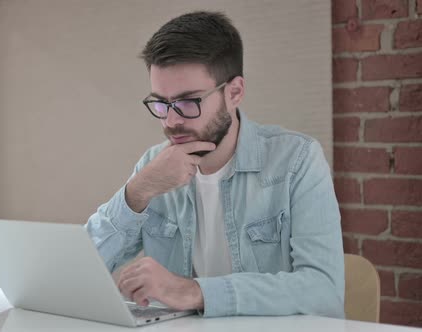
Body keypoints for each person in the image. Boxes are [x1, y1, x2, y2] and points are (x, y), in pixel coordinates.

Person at [85, 11, 344, 318]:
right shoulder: (153, 166)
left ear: (234, 92)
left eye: (188, 102)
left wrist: (195, 292)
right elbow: (76, 271)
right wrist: (137, 192)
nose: (171, 120)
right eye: (160, 103)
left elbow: (323, 290)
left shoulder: (297, 160)